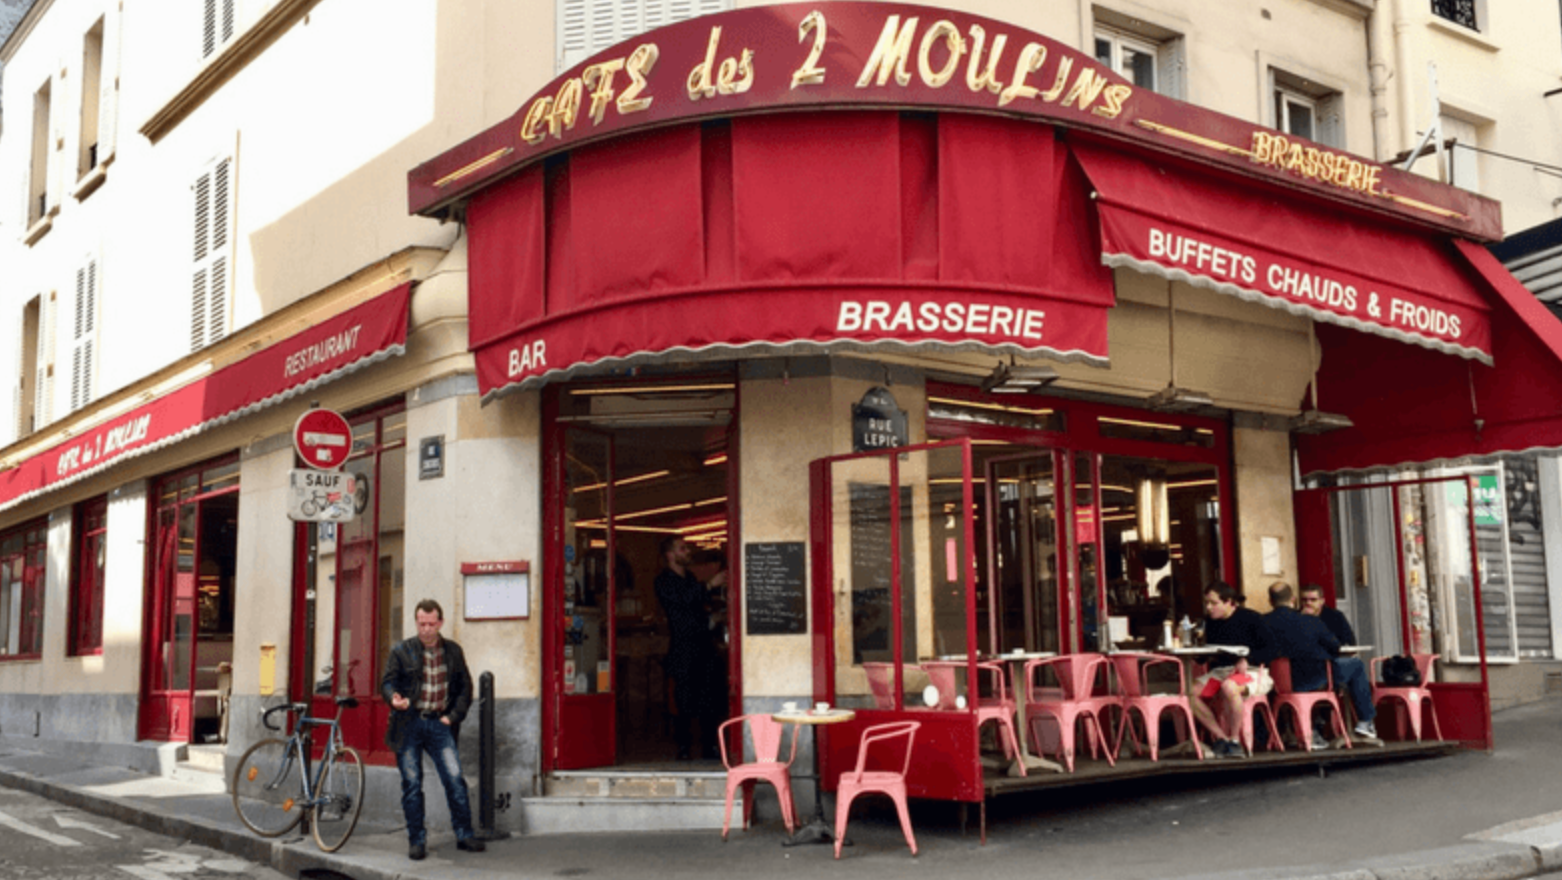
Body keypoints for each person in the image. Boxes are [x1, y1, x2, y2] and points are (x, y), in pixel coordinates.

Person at [381, 599, 485, 861]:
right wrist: (393, 697)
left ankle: (464, 834)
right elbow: (387, 682)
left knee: (454, 779)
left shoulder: (452, 651)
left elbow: (465, 688)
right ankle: (417, 840)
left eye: (431, 624)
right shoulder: (402, 650)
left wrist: (453, 717)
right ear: (416, 622)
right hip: (409, 724)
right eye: (421, 623)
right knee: (412, 784)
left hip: (440, 723)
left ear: (440, 623)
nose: (426, 629)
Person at [656, 536, 727, 760]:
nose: (688, 552)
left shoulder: (690, 577)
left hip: (703, 645)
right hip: (682, 647)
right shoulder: (664, 581)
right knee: (684, 700)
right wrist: (710, 584)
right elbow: (683, 601)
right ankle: (684, 748)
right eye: (682, 548)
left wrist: (713, 616)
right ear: (670, 555)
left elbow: (698, 604)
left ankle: (709, 746)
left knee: (709, 697)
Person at [1189, 580, 1277, 758]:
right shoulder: (1210, 623)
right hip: (1221, 673)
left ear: (1229, 602)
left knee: (1229, 686)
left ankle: (1235, 740)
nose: (1209, 607)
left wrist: (1247, 659)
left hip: (1251, 672)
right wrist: (1190, 643)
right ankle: (1222, 738)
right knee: (1189, 693)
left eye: (1214, 603)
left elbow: (1272, 649)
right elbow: (1203, 657)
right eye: (1207, 603)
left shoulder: (1251, 618)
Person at [1296, 583, 1378, 740]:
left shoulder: (1334, 617)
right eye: (1304, 600)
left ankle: (1362, 721)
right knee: (1357, 666)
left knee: (1354, 665)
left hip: (1326, 665)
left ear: (1322, 601)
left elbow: (1348, 643)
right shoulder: (1297, 619)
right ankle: (1366, 720)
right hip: (1307, 671)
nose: (1308, 603)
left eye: (1312, 600)